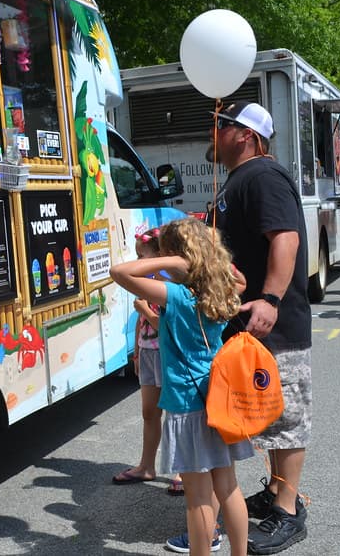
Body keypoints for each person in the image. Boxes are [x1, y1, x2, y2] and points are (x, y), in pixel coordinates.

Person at [205, 101, 311, 555]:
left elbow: (285, 236)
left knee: (284, 418)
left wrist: (270, 298)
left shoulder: (263, 176)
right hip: (246, 324)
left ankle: (288, 509)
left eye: (221, 126)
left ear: (245, 134)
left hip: (274, 326)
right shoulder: (239, 179)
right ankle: (274, 493)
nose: (213, 133)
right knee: (260, 412)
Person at [111, 217, 252, 556]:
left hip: (187, 403)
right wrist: (207, 257)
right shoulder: (219, 288)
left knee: (199, 497)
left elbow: (120, 272)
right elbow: (242, 280)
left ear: (178, 254)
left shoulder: (175, 294)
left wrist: (174, 261)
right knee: (228, 486)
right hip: (218, 398)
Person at [111, 228, 184, 496]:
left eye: (143, 255)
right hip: (148, 351)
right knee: (149, 413)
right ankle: (146, 465)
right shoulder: (143, 280)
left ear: (160, 255)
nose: (138, 260)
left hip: (167, 353)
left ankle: (181, 470)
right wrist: (137, 352)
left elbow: (168, 326)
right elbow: (139, 323)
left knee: (176, 415)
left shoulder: (169, 283)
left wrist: (144, 309)